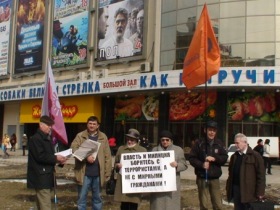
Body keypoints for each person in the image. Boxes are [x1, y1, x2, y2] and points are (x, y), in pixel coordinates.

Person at [71, 116, 112, 210]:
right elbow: (74, 149)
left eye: (94, 124)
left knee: (97, 200)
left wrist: (107, 172)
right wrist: (86, 157)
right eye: (90, 123)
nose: (92, 126)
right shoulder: (80, 136)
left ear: (98, 126)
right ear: (87, 124)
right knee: (81, 200)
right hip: (84, 173)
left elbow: (108, 156)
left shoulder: (103, 137)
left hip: (98, 174)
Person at [27, 115, 67, 210]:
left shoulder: (47, 138)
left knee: (43, 204)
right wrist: (56, 158)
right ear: (41, 125)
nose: (50, 127)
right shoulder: (35, 139)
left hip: (47, 175)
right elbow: (40, 156)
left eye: (51, 125)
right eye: (48, 125)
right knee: (45, 205)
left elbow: (49, 156)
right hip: (41, 176)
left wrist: (60, 160)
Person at [188, 120, 228, 210]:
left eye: (214, 130)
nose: (212, 132)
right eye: (210, 130)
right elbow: (191, 158)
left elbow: (224, 157)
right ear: (205, 130)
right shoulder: (199, 143)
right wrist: (202, 164)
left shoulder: (219, 143)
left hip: (214, 178)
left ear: (216, 132)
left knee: (218, 204)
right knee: (204, 205)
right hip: (202, 177)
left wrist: (215, 158)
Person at [150, 130, 188, 210]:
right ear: (160, 141)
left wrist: (177, 165)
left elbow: (184, 165)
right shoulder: (154, 150)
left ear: (171, 141)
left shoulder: (178, 150)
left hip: (172, 185)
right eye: (163, 140)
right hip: (158, 185)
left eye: (167, 140)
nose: (165, 142)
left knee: (172, 206)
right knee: (158, 206)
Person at [226, 133, 265, 210]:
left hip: (249, 191)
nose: (235, 145)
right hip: (236, 189)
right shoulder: (234, 156)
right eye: (235, 143)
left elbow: (261, 175)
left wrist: (260, 192)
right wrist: (229, 187)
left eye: (237, 143)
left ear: (245, 143)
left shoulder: (255, 156)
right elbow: (230, 173)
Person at [114, 128, 147, 210]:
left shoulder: (142, 150)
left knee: (133, 204)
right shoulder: (121, 149)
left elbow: (146, 167)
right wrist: (117, 166)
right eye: (128, 139)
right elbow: (115, 163)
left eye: (132, 140)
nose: (129, 142)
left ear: (136, 140)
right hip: (123, 181)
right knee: (124, 204)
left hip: (135, 182)